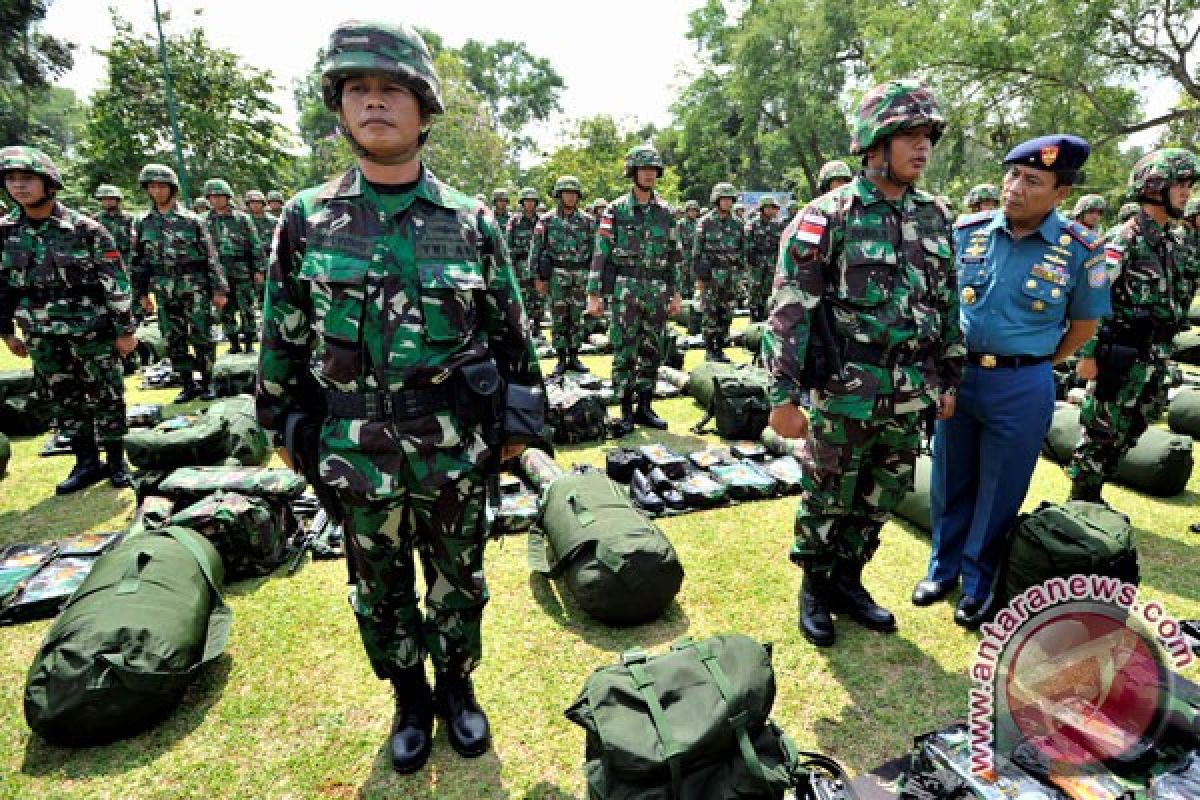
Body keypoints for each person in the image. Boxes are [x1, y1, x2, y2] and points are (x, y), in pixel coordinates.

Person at [255, 20, 545, 774]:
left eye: (391, 90)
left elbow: (510, 329)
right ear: (340, 108)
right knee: (378, 587)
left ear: (422, 108)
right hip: (356, 449)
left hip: (452, 441)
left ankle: (457, 688)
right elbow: (280, 333)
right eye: (358, 90)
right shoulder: (307, 217)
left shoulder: (469, 218)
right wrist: (281, 423)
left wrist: (520, 427)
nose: (374, 102)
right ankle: (409, 698)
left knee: (460, 578)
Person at [764, 79, 963, 647]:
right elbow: (789, 311)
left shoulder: (933, 216)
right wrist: (782, 396)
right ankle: (814, 586)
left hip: (911, 386)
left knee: (884, 491)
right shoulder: (827, 215)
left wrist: (950, 376)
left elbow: (946, 303)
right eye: (910, 135)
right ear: (875, 142)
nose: (923, 147)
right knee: (829, 490)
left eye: (929, 135)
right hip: (847, 384)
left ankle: (848, 581)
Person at [918, 134, 1110, 628]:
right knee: (949, 478)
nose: (1015, 188)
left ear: (1060, 193)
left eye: (1032, 180)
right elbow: (942, 305)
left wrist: (1040, 360)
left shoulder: (1080, 249)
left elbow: (1085, 326)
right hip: (959, 377)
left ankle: (978, 582)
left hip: (1022, 385)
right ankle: (941, 568)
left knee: (1000, 489)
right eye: (1012, 175)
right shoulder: (971, 231)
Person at [0, 146, 138, 492]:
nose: (19, 186)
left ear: (48, 182)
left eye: (27, 178)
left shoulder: (85, 229)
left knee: (106, 393)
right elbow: (2, 287)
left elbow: (115, 282)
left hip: (91, 330)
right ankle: (85, 462)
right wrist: (6, 332)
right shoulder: (4, 232)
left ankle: (117, 461)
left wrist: (125, 331)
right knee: (62, 397)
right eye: (11, 179)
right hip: (41, 333)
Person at [1066, 149, 1199, 504]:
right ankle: (1082, 499)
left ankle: (1096, 491)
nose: (1186, 193)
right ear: (1155, 187)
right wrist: (1089, 355)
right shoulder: (1124, 239)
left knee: (1134, 427)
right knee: (1100, 432)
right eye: (1180, 185)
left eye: (1189, 186)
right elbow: (1092, 300)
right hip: (1120, 355)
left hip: (1153, 356)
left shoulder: (1170, 243)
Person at [585, 144, 682, 436]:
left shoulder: (666, 212)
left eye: (653, 169)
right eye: (644, 169)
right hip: (625, 288)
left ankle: (645, 406)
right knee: (624, 350)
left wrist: (676, 292)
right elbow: (600, 253)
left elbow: (674, 254)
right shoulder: (615, 211)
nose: (650, 174)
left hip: (656, 288)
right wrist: (594, 293)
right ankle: (625, 410)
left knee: (653, 349)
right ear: (633, 172)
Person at [131, 163, 228, 402]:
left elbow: (210, 256)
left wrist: (219, 289)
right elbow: (138, 261)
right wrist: (141, 293)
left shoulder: (191, 220)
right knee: (173, 338)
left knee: (201, 335)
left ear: (172, 188)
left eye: (162, 186)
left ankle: (207, 382)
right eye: (152, 187)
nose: (157, 191)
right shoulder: (143, 223)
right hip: (164, 289)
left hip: (194, 286)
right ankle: (187, 383)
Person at [530, 175, 594, 376]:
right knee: (559, 318)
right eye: (566, 193)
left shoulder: (588, 221)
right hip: (557, 275)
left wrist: (595, 279)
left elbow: (595, 251)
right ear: (559, 195)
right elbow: (536, 249)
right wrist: (537, 278)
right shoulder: (547, 220)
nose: (570, 197)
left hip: (580, 274)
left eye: (574, 194)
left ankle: (574, 356)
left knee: (577, 317)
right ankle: (561, 358)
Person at [203, 178, 264, 353]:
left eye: (220, 196)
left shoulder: (242, 219)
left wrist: (259, 270)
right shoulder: (204, 221)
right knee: (225, 310)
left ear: (227, 197)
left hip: (241, 270)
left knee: (247, 309)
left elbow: (255, 245)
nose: (216, 200)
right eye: (212, 197)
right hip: (218, 273)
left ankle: (250, 343)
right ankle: (234, 343)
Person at [694, 182, 744, 361]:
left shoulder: (738, 224)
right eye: (723, 199)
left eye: (730, 199)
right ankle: (710, 348)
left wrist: (740, 276)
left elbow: (742, 250)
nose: (727, 203)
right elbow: (697, 252)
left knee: (727, 313)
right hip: (711, 276)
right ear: (716, 200)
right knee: (710, 313)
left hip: (730, 275)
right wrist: (699, 277)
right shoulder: (705, 222)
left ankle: (720, 347)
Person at [507, 186, 543, 337]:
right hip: (520, 263)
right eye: (527, 201)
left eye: (532, 201)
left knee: (539, 297)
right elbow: (508, 244)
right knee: (522, 296)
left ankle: (537, 326)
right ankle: (525, 327)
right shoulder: (514, 221)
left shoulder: (542, 220)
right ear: (522, 203)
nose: (530, 204)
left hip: (538, 264)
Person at [744, 194, 785, 322]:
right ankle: (753, 315)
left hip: (772, 263)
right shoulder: (752, 225)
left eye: (774, 208)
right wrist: (751, 259)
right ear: (763, 209)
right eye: (770, 208)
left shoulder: (777, 225)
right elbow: (746, 244)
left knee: (767, 290)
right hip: (756, 263)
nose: (773, 210)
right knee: (755, 289)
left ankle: (764, 315)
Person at [675, 199, 701, 299]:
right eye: (690, 210)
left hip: (695, 250)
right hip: (684, 250)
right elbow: (677, 237)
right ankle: (683, 293)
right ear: (686, 211)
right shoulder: (681, 223)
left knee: (693, 273)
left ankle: (691, 292)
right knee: (683, 272)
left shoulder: (698, 223)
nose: (693, 212)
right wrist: (679, 246)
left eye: (695, 210)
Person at [244, 189, 278, 265]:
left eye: (258, 202)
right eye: (252, 202)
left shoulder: (273, 221)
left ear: (263, 203)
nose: (255, 205)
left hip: (270, 258)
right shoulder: (243, 220)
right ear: (248, 204)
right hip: (249, 259)